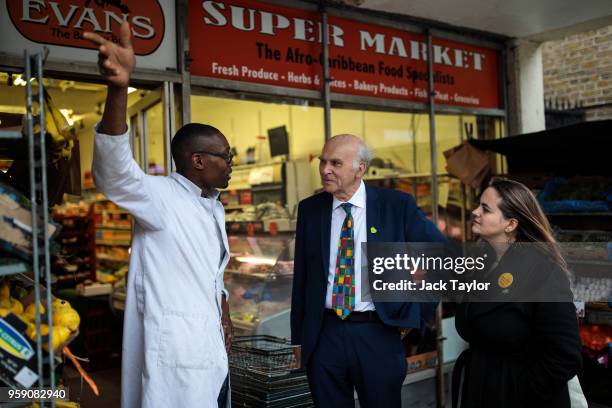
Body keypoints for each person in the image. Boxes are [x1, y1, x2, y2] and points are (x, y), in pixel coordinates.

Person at [84, 23, 233, 408]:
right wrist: (119, 88)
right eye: (225, 156)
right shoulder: (162, 196)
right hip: (178, 349)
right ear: (198, 160)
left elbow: (211, 273)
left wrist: (225, 312)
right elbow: (115, 172)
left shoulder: (211, 203)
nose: (231, 163)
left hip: (207, 339)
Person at [291, 134, 446, 407]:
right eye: (323, 161)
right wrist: (298, 341)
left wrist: (413, 314)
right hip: (324, 334)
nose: (325, 169)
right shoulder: (310, 210)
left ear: (360, 168)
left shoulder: (396, 206)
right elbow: (302, 280)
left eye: (336, 163)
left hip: (378, 333)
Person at [452, 178, 582, 408]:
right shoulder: (479, 264)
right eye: (478, 205)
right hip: (480, 389)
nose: (475, 212)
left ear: (510, 224)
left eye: (486, 209)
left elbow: (565, 355)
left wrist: (520, 392)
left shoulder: (542, 270)